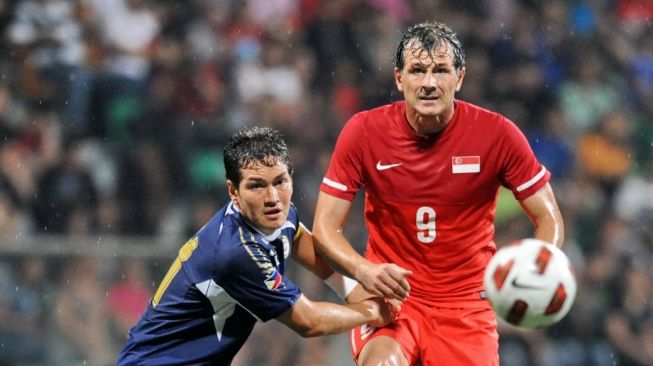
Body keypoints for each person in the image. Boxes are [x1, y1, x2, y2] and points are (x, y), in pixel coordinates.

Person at [312, 21, 565, 366]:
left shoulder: (497, 135)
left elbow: (548, 217)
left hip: (467, 306)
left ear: (459, 78)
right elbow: (325, 227)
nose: (429, 83)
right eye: (417, 71)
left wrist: (539, 265)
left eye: (441, 70)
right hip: (393, 299)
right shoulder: (364, 132)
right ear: (398, 78)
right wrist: (363, 271)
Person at [117, 126, 397, 365]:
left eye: (280, 181)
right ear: (233, 192)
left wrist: (356, 291)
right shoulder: (234, 253)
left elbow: (311, 253)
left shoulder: (278, 216)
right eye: (256, 186)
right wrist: (372, 311)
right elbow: (308, 321)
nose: (273, 197)